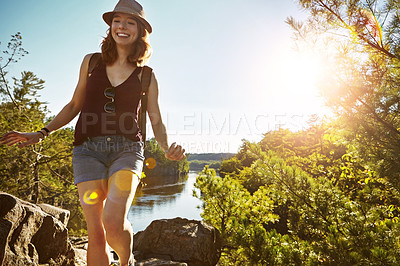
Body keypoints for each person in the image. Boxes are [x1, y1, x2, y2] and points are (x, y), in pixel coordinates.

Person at [0, 0, 185, 265]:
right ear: (110, 25)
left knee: (113, 220)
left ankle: (125, 259)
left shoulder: (147, 75)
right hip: (87, 152)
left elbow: (155, 117)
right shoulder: (91, 62)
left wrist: (167, 147)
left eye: (130, 22)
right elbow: (74, 105)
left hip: (128, 150)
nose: (122, 26)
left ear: (140, 30)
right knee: (96, 231)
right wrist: (41, 133)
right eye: (117, 20)